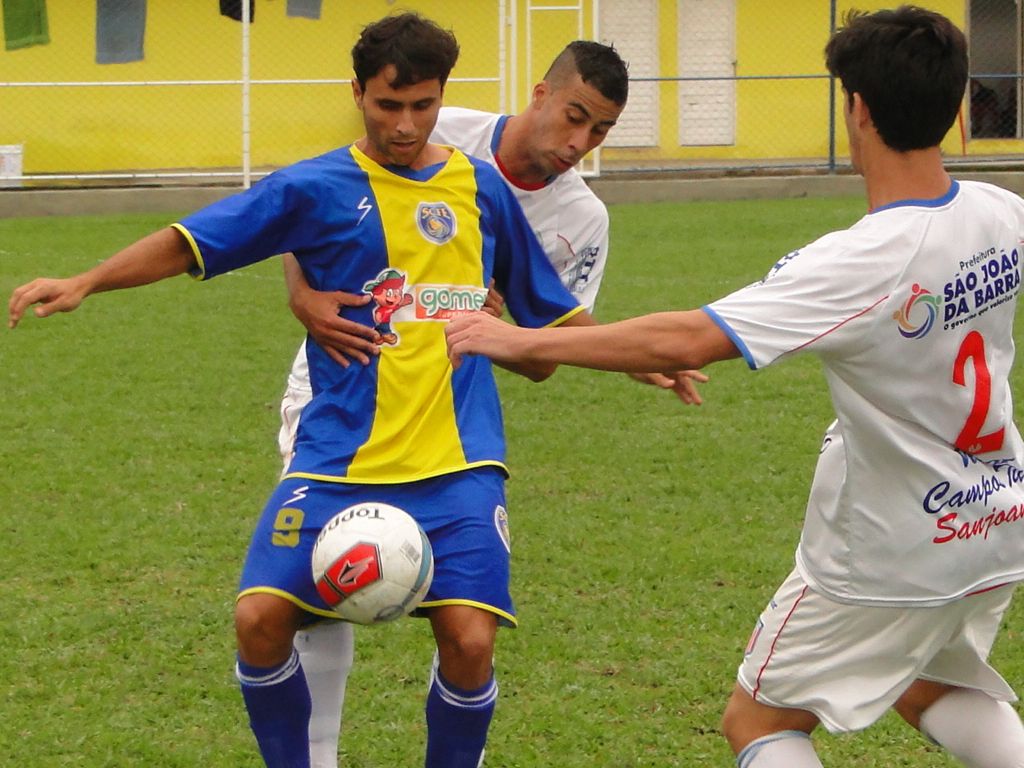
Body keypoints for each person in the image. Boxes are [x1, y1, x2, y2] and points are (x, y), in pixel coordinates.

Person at [445, 7, 1024, 767]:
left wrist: (510, 336)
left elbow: (690, 336)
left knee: (759, 722)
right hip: (994, 519)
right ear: (955, 108)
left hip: (894, 548)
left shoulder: (860, 259)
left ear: (855, 108)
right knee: (925, 681)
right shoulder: (1001, 210)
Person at [8, 12, 589, 768]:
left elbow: (553, 319)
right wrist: (87, 280)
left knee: (471, 639)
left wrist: (637, 351)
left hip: (458, 458)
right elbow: (191, 242)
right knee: (258, 619)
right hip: (336, 453)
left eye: (423, 105)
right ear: (358, 93)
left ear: (443, 96)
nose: (406, 124)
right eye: (388, 105)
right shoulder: (314, 186)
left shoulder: (481, 189)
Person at [279, 40, 707, 768]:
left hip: (453, 420)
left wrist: (619, 355)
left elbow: (545, 355)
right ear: (540, 94)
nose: (579, 143)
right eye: (574, 117)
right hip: (344, 388)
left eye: (600, 131)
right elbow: (314, 202)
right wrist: (301, 297)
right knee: (321, 582)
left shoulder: (584, 220)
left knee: (469, 627)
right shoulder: (440, 127)